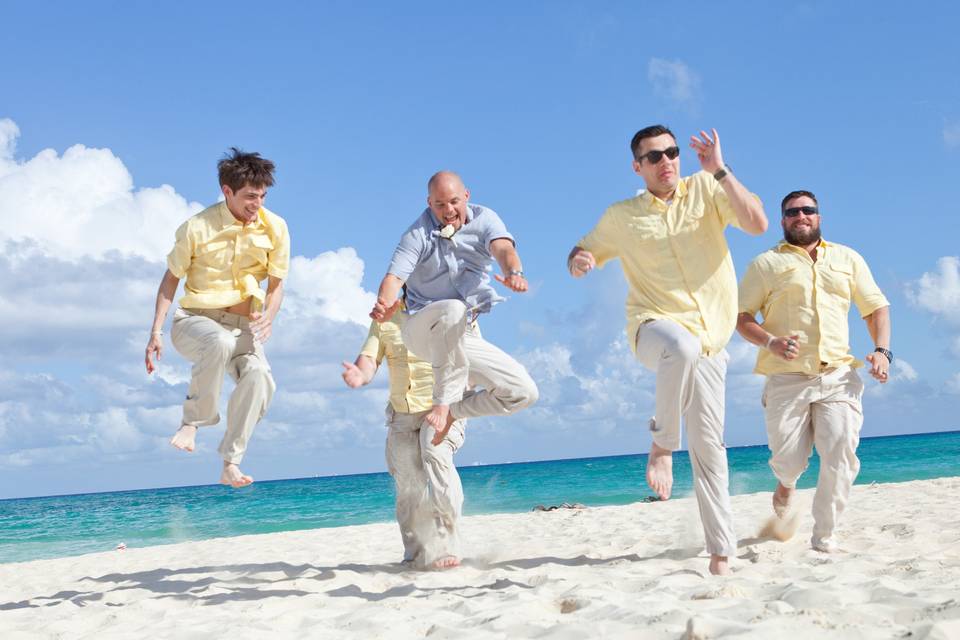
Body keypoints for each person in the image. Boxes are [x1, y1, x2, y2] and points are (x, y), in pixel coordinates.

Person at [568, 125, 768, 575]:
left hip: (711, 343)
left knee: (710, 449)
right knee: (679, 344)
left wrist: (719, 170)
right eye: (654, 157)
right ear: (637, 167)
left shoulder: (708, 190)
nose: (666, 162)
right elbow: (583, 249)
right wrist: (580, 261)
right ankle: (661, 444)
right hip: (653, 330)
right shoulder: (622, 216)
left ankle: (721, 553)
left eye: (672, 153)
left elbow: (757, 224)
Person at [737, 189, 891, 552]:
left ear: (819, 217)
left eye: (808, 210)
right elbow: (742, 318)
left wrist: (882, 351)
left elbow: (875, 309)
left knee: (841, 453)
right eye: (792, 212)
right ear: (782, 221)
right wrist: (770, 341)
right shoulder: (765, 264)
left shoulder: (847, 258)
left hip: (838, 376)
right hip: (786, 378)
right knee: (789, 461)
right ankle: (786, 483)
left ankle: (824, 535)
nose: (801, 215)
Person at [144, 148, 290, 488]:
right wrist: (155, 332)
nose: (258, 204)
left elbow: (277, 285)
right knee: (219, 341)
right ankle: (192, 422)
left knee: (260, 379)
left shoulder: (276, 228)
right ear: (227, 191)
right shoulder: (197, 227)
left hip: (244, 327)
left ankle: (230, 463)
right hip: (196, 322)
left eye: (263, 196)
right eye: (250, 197)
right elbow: (170, 279)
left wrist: (269, 316)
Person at [370, 171, 537, 445]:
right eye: (440, 205)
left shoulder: (484, 219)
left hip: (463, 333)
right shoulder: (417, 233)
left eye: (454, 202)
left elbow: (503, 248)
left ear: (467, 196)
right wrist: (385, 304)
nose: (448, 211)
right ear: (429, 203)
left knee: (523, 392)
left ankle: (454, 412)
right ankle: (442, 403)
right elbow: (394, 277)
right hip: (422, 329)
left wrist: (514, 272)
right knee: (453, 309)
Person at [342, 303, 467, 569]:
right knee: (408, 483)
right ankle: (416, 554)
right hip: (402, 414)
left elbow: (474, 359)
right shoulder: (385, 317)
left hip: (444, 409)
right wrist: (360, 375)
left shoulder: (454, 310)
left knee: (435, 455)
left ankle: (447, 545)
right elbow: (369, 358)